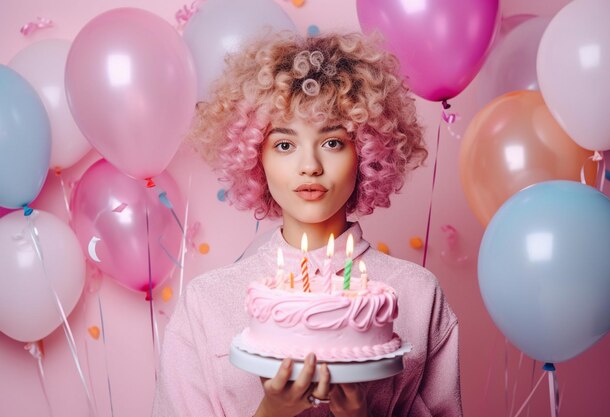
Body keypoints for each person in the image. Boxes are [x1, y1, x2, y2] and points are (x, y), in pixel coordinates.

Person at [153, 30, 462, 417]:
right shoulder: (207, 303)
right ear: (255, 158)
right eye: (284, 145)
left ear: (367, 152)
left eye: (332, 142)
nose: (310, 166)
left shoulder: (418, 296)